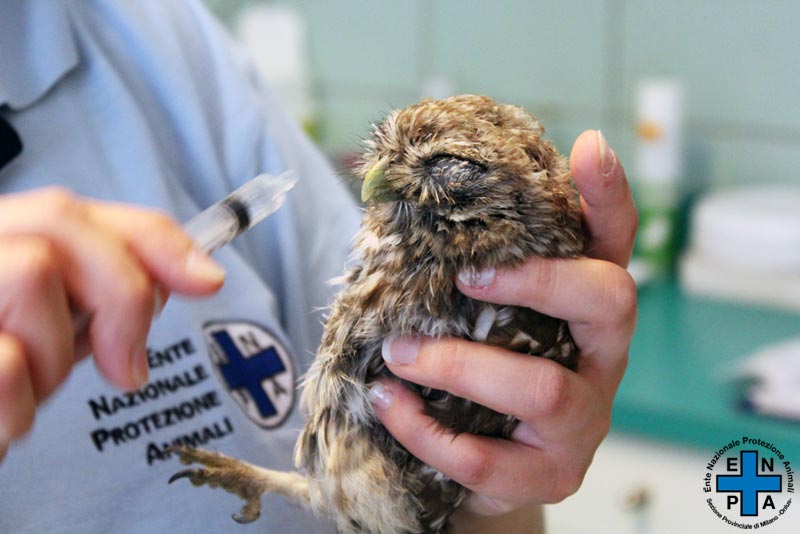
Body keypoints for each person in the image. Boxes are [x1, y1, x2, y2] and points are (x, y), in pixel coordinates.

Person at [0, 1, 637, 533]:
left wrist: (500, 484)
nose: (380, 180)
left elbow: (454, 499)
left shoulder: (141, 32)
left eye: (449, 172)